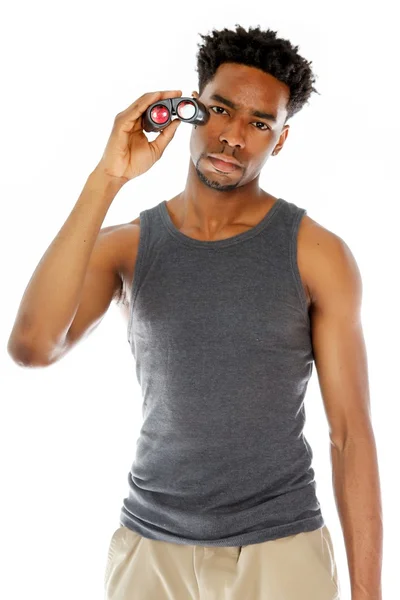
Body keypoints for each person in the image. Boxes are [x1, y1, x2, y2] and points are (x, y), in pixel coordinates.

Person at [7, 24, 383, 600]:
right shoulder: (129, 244)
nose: (235, 136)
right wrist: (108, 178)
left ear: (279, 140)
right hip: (150, 549)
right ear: (188, 110)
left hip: (281, 551)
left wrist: (368, 593)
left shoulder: (317, 254)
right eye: (221, 110)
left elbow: (351, 435)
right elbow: (32, 347)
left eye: (260, 124)